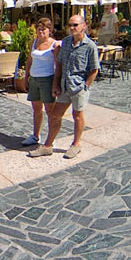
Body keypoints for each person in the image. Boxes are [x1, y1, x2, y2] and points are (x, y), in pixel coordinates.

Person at [55, 13, 101, 159]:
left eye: (75, 25)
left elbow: (95, 69)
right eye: (70, 25)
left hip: (78, 87)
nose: (72, 28)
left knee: (77, 116)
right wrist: (55, 84)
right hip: (64, 85)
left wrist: (85, 86)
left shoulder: (90, 46)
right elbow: (60, 64)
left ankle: (76, 144)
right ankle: (48, 144)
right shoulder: (66, 42)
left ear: (83, 26)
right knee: (55, 115)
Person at [24, 17, 62, 156]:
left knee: (50, 111)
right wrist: (26, 77)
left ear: (49, 30)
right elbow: (29, 60)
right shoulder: (34, 43)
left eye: (43, 29)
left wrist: (55, 83)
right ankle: (35, 135)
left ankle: (51, 139)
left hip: (47, 79)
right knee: (36, 108)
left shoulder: (54, 45)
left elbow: (58, 65)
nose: (41, 32)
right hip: (34, 78)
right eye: (38, 29)